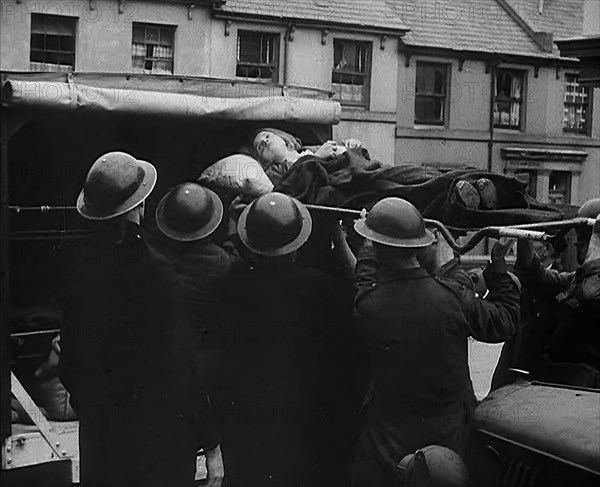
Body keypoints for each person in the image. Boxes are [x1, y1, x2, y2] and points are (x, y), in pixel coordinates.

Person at [59, 152, 223, 487]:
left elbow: (70, 365)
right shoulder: (157, 274)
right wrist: (212, 442)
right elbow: (182, 370)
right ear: (141, 205)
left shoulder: (80, 269)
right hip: (155, 450)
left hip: (101, 444)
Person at [344, 197, 520, 487]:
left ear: (378, 250)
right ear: (419, 247)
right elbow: (504, 322)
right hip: (452, 442)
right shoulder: (452, 298)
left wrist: (366, 249)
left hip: (388, 447)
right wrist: (498, 270)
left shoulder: (370, 305)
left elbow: (364, 283)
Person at [221, 192, 351, 486]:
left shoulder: (233, 284)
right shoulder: (317, 286)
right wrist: (339, 238)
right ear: (296, 246)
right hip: (303, 419)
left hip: (250, 417)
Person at [509, 198, 600, 387]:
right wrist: (524, 234)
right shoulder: (573, 279)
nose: (581, 248)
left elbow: (589, 295)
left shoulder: (590, 282)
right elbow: (535, 276)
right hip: (556, 378)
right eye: (579, 241)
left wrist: (597, 241)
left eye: (586, 240)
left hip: (587, 387)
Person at [252, 128, 362, 184]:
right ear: (264, 160)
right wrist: (317, 157)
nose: (264, 141)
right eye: (260, 147)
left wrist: (352, 145)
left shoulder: (308, 150)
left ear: (281, 137)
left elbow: (339, 148)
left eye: (267, 136)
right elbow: (293, 185)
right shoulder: (274, 172)